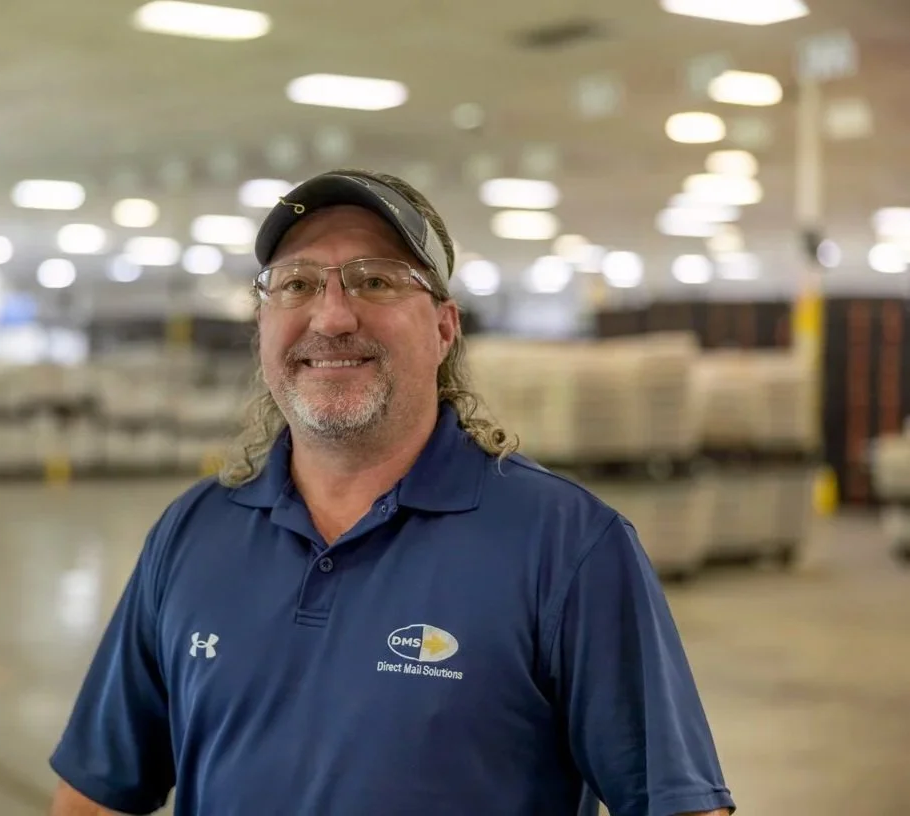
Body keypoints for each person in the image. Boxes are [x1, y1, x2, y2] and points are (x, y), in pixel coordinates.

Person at [49, 168, 736, 816]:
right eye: (296, 284)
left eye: (374, 281)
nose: (331, 318)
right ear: (261, 327)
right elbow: (94, 796)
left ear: (443, 328)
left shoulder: (567, 546)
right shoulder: (193, 532)